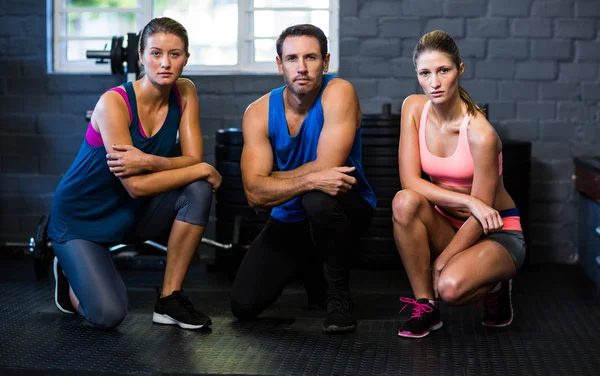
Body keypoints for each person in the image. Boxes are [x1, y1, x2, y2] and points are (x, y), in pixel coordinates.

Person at [47, 17, 221, 330]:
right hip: (81, 221)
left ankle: (170, 299)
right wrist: (196, 166)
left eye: (175, 54)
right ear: (140, 56)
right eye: (155, 53)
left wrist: (153, 161)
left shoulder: (186, 92)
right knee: (108, 315)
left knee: (198, 187)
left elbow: (194, 159)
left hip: (132, 215)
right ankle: (68, 272)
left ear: (186, 58)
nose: (165, 63)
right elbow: (137, 186)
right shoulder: (114, 103)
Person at [229, 24, 376, 333]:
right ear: (280, 64)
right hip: (291, 215)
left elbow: (328, 168)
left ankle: (338, 297)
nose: (302, 67)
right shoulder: (257, 113)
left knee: (318, 200)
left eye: (311, 57)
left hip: (347, 204)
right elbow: (254, 193)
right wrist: (307, 179)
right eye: (292, 58)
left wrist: (273, 180)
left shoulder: (339, 92)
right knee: (243, 306)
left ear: (325, 61)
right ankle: (310, 262)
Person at [393, 30, 526, 338]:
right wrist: (467, 201)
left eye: (444, 71)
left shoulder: (481, 134)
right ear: (417, 75)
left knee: (449, 287)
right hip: (448, 221)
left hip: (495, 231)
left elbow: (482, 218)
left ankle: (495, 282)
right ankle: (425, 305)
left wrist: (441, 261)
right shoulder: (413, 109)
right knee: (404, 201)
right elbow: (409, 181)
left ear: (460, 70)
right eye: (425, 73)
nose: (435, 83)